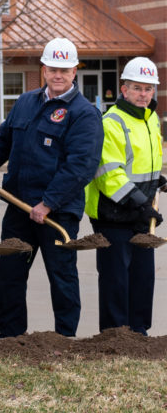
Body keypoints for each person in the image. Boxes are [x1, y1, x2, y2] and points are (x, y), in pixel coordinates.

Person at [0, 37, 103, 338]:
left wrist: (48, 203)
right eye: (53, 68)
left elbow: (80, 166)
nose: (58, 75)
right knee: (10, 275)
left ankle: (65, 339)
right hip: (18, 207)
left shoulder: (84, 113)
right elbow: (3, 143)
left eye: (65, 70)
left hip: (58, 213)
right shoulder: (26, 102)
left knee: (62, 277)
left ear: (74, 72)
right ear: (44, 69)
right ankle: (11, 339)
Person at [85, 57, 165, 335]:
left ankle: (139, 334)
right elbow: (109, 174)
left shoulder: (151, 119)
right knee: (116, 281)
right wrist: (142, 203)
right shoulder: (111, 122)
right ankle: (115, 336)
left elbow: (142, 162)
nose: (143, 95)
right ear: (124, 89)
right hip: (114, 215)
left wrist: (156, 181)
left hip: (140, 213)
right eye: (137, 88)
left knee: (143, 279)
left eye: (148, 89)